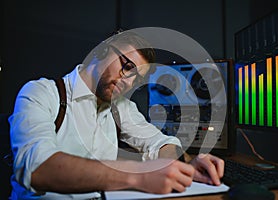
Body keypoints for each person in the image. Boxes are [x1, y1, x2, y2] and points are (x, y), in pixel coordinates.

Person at [9, 30, 224, 199]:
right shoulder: (41, 93)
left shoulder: (120, 107)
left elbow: (161, 143)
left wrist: (180, 166)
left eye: (136, 79)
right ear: (102, 51)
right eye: (127, 67)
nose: (128, 82)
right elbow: (38, 168)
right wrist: (140, 175)